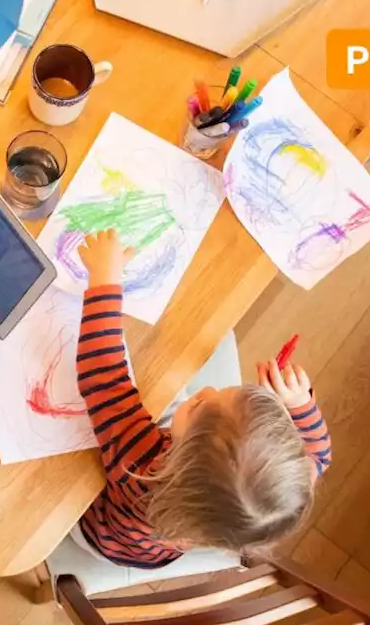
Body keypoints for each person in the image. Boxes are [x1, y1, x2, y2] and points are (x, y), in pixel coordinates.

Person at [70, 229, 330, 569]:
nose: (204, 390)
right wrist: (299, 404)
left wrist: (104, 281)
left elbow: (102, 374)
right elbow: (319, 453)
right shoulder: (284, 492)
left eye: (196, 406)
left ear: (175, 458)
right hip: (162, 544)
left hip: (102, 533)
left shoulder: (140, 463)